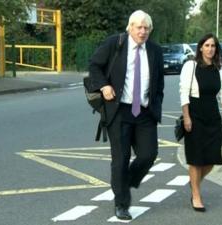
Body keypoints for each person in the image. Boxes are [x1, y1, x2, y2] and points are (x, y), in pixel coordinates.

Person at [88, 10, 164, 220]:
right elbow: (94, 65)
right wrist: (104, 86)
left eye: (146, 28)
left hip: (145, 112)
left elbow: (159, 83)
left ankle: (124, 181)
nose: (142, 31)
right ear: (130, 27)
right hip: (119, 111)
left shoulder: (155, 50)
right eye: (138, 27)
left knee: (149, 154)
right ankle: (121, 203)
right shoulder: (115, 44)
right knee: (120, 159)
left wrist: (156, 104)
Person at [179, 33, 222, 212]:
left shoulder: (219, 67)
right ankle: (196, 195)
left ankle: (194, 182)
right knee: (196, 159)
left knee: (212, 159)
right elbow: (183, 93)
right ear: (201, 48)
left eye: (213, 46)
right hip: (195, 115)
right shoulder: (191, 66)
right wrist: (186, 117)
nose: (210, 49)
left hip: (212, 116)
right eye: (207, 45)